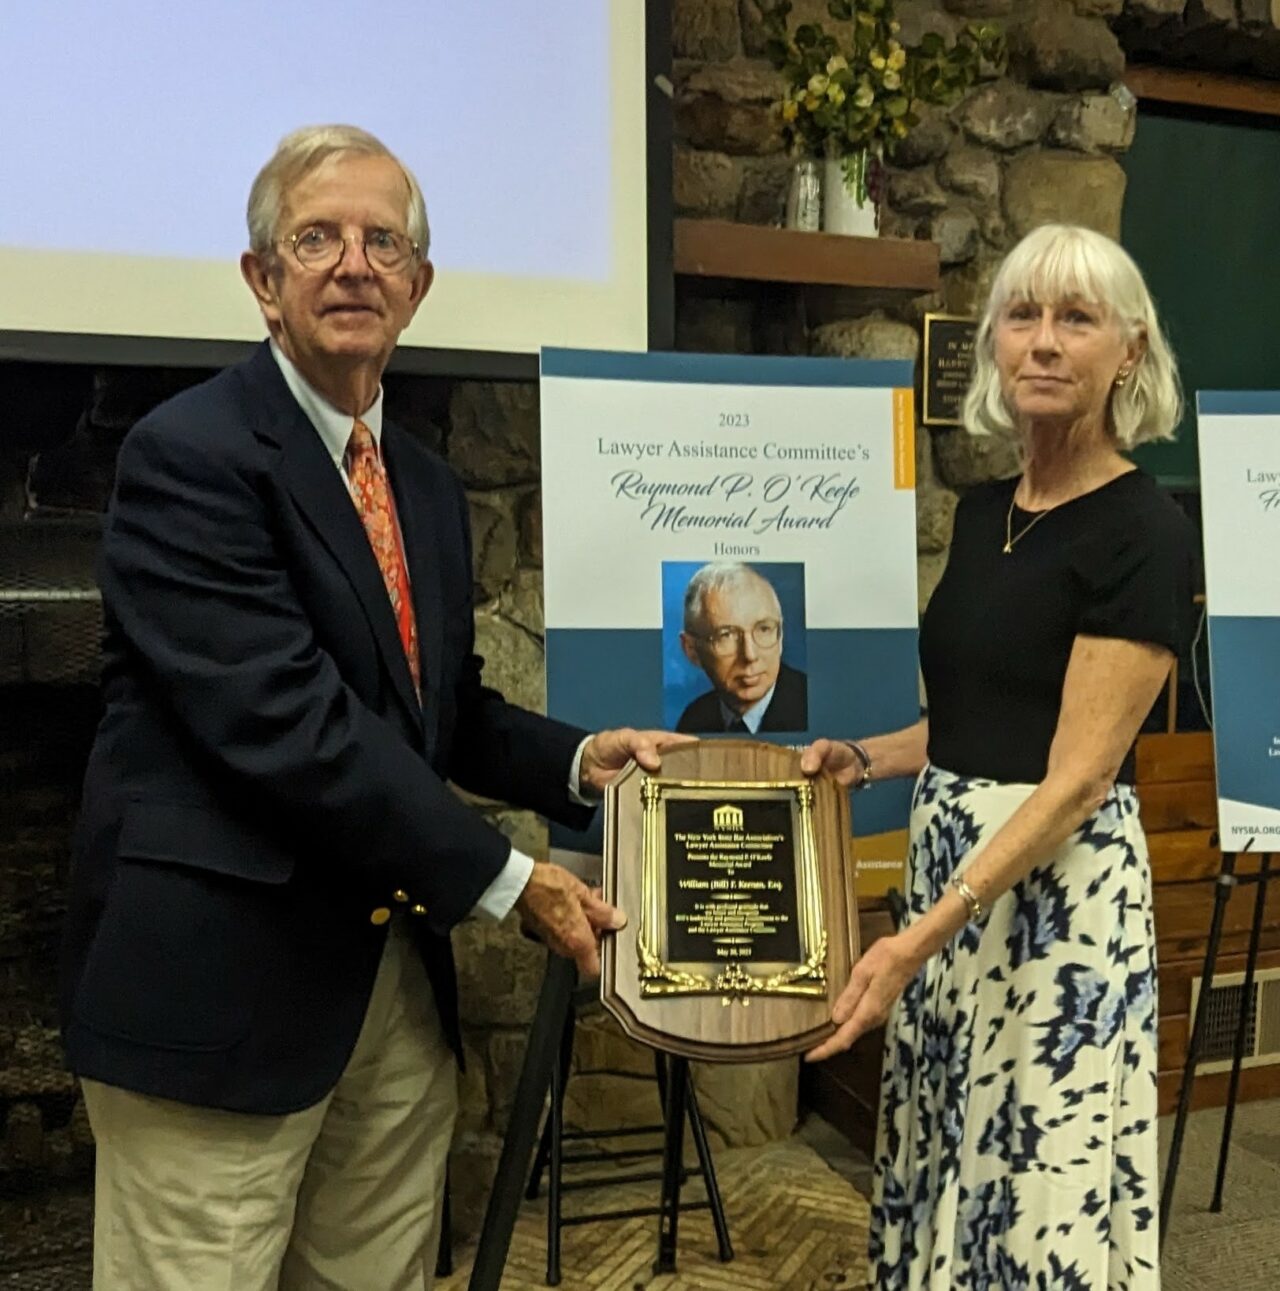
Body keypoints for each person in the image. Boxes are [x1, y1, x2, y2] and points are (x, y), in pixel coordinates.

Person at [59, 124, 683, 1291]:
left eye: (382, 241)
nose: (353, 263)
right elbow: (291, 726)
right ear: (262, 279)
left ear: (418, 283)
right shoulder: (186, 457)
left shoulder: (427, 487)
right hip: (218, 1009)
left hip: (388, 999)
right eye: (317, 238)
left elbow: (438, 710)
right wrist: (514, 883)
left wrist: (585, 761)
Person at [802, 223, 1197, 1286]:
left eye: (1075, 318)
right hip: (955, 888)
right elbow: (985, 714)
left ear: (1129, 350)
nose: (1042, 342)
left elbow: (1073, 776)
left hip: (1046, 905)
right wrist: (866, 757)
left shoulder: (1142, 530)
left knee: (1031, 1185)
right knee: (945, 1152)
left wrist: (914, 938)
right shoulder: (986, 515)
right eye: (1020, 316)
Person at [676, 561, 808, 734]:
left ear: (780, 636)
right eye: (726, 635)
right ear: (691, 650)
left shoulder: (813, 704)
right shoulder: (693, 721)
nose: (750, 655)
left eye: (764, 629)